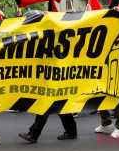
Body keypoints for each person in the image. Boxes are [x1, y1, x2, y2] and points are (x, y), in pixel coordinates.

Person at [18, 10, 77, 143]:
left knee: (45, 103)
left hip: (55, 73)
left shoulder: (50, 30)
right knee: (60, 102)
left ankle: (34, 133)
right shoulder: (39, 33)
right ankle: (71, 131)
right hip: (52, 73)